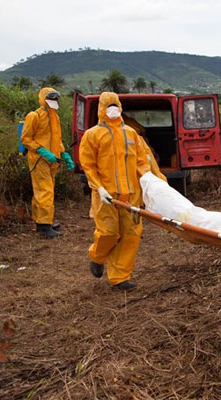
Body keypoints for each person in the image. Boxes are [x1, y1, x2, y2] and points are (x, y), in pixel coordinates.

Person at [79, 92, 150, 291]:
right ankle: (97, 256)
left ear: (120, 107)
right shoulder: (92, 135)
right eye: (107, 105)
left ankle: (120, 276)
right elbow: (88, 165)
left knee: (131, 234)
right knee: (109, 232)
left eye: (115, 105)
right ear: (101, 108)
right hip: (106, 196)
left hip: (131, 195)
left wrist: (148, 182)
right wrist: (99, 188)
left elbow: (142, 161)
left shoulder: (131, 133)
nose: (112, 109)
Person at [20, 87, 75, 238]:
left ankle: (43, 221)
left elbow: (57, 139)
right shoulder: (34, 116)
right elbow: (25, 139)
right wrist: (42, 151)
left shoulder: (54, 116)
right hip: (39, 160)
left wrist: (64, 154)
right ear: (43, 98)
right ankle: (44, 227)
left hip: (52, 161)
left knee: (44, 190)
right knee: (45, 191)